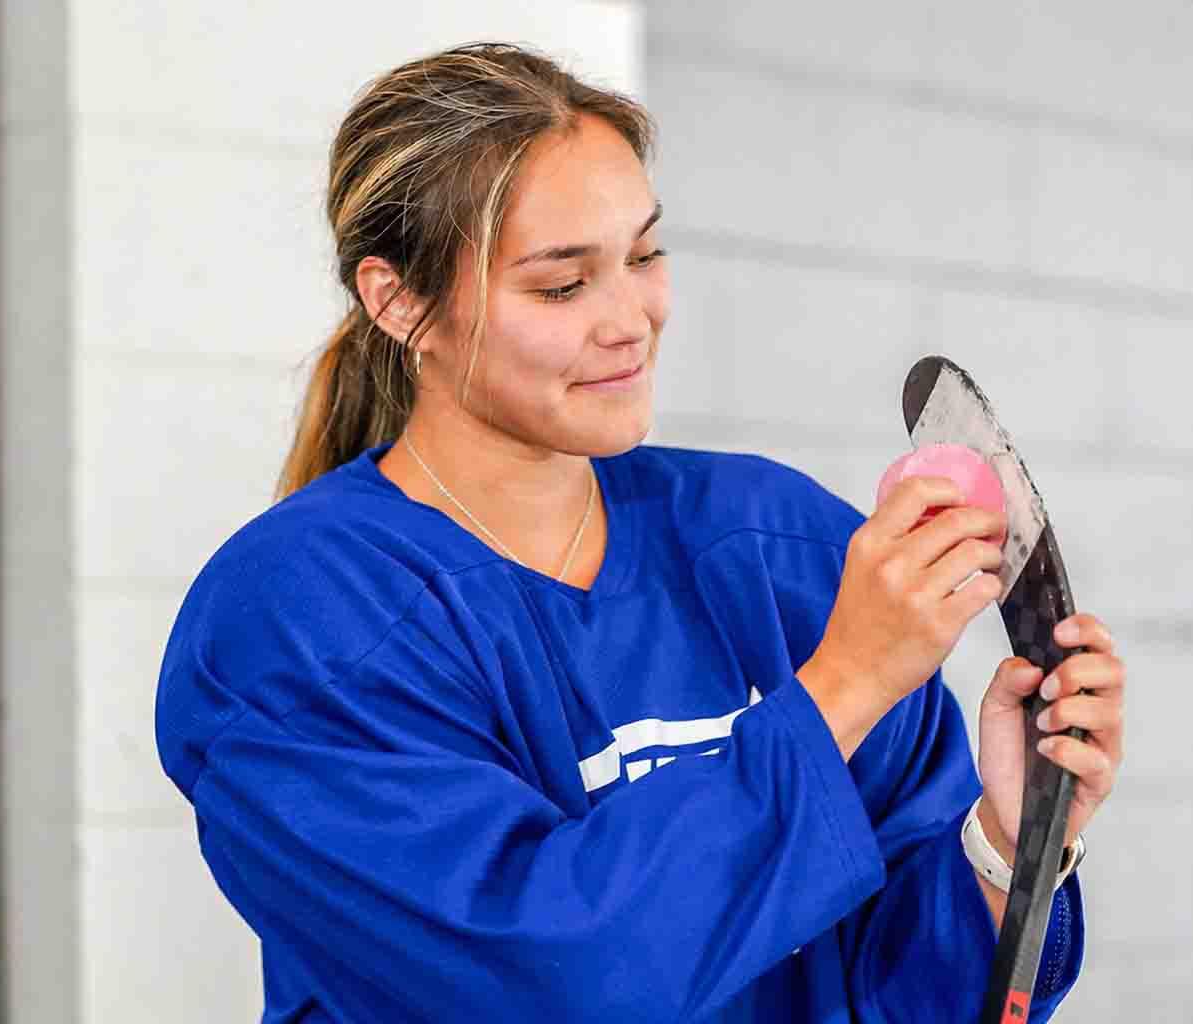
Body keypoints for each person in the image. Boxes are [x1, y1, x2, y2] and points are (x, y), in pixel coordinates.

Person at [154, 41, 1127, 1024]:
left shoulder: (774, 547)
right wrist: (841, 687)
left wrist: (1007, 841)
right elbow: (546, 983)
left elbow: (909, 994)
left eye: (644, 255)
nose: (631, 319)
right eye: (561, 284)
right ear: (400, 301)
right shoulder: (295, 624)